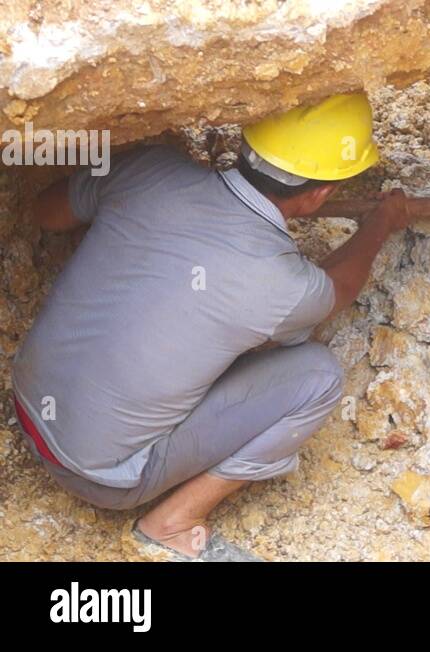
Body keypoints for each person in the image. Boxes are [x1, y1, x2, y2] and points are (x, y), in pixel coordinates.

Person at [12, 93, 409, 559]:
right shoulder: (286, 285)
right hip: (101, 477)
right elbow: (339, 288)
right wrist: (383, 222)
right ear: (321, 193)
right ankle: (173, 524)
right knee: (318, 376)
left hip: (24, 404)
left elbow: (48, 213)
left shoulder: (150, 167)